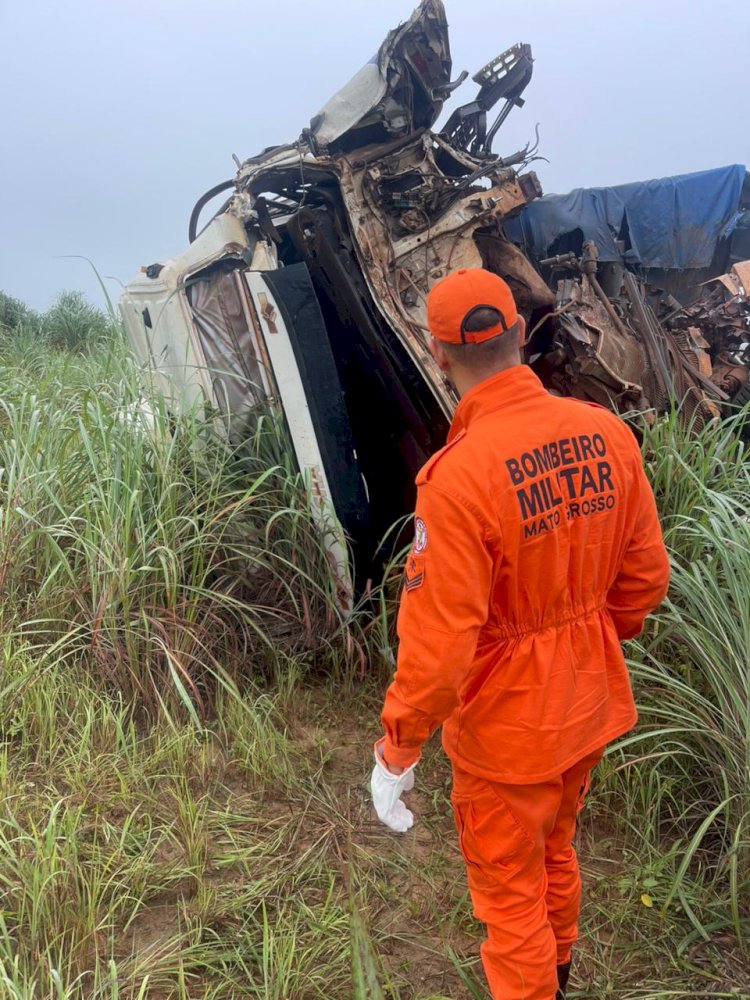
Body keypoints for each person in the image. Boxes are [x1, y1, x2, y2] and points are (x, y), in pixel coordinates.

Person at [370, 267, 670, 1000]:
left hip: (507, 733)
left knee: (509, 898)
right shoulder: (607, 433)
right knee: (556, 848)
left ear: (438, 353)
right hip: (588, 704)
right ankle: (557, 976)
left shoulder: (457, 477)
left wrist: (398, 747)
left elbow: (439, 647)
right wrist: (586, 646)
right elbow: (644, 581)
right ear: (519, 332)